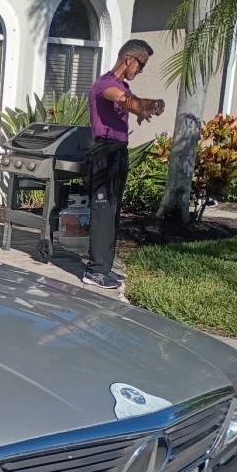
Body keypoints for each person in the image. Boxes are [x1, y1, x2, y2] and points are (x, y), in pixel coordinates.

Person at [83, 40, 166, 289]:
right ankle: (95, 271)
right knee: (102, 210)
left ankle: (105, 266)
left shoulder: (123, 86)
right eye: (140, 65)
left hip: (118, 151)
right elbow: (126, 101)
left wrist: (143, 112)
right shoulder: (105, 84)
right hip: (104, 151)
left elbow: (132, 104)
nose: (139, 71)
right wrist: (148, 105)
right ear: (129, 58)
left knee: (113, 210)